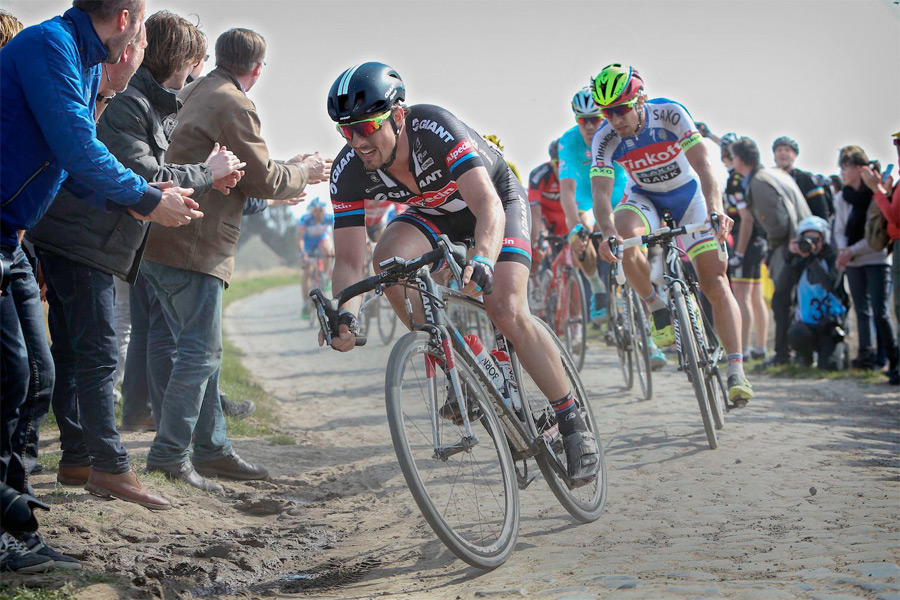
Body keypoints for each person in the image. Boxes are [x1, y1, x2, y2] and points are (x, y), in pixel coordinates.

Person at [325, 62, 599, 483]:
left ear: (398, 116)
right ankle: (454, 358)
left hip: (493, 202)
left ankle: (571, 420)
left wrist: (485, 258)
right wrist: (345, 312)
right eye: (347, 131)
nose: (358, 141)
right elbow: (348, 261)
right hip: (433, 214)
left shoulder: (433, 128)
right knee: (389, 263)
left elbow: (488, 206)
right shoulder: (347, 171)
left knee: (505, 307)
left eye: (367, 126)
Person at [1, 0, 203, 570]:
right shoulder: (50, 48)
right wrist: (144, 197)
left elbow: (66, 167)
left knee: (35, 377)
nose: (141, 38)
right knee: (17, 376)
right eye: (141, 22)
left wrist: (138, 208)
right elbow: (77, 147)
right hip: (6, 229)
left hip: (12, 236)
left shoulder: (86, 62)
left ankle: (19, 527)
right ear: (124, 19)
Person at [140, 27, 330, 488]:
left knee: (202, 351)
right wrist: (304, 171)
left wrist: (281, 176)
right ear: (257, 70)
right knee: (200, 353)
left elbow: (245, 171)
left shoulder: (198, 89)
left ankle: (212, 449)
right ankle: (170, 455)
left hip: (161, 240)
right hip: (194, 246)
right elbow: (262, 178)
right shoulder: (235, 102)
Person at [589, 64, 751, 403]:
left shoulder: (670, 114)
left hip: (688, 196)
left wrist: (715, 209)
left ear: (640, 100)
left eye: (620, 109)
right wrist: (606, 234)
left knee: (715, 281)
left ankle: (736, 368)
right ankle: (656, 307)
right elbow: (602, 194)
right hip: (644, 197)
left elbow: (704, 166)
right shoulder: (606, 137)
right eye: (607, 112)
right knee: (623, 237)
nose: (615, 119)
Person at [729, 137, 812, 368]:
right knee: (790, 301)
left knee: (782, 301)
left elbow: (777, 222)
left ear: (739, 159)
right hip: (802, 241)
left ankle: (782, 355)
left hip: (789, 246)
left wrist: (775, 246)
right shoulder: (773, 173)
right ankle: (795, 355)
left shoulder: (758, 182)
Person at [700, 127, 769, 360]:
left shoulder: (736, 179)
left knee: (741, 295)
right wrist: (710, 135)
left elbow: (747, 218)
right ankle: (760, 346)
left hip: (746, 241)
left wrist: (738, 252)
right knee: (755, 296)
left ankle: (746, 348)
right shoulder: (745, 174)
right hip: (757, 240)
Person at [559, 87, 626, 321]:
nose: (589, 126)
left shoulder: (616, 133)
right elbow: (566, 191)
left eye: (595, 119)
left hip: (619, 192)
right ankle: (597, 286)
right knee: (580, 234)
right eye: (582, 120)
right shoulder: (567, 141)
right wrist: (575, 226)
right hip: (586, 198)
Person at [833, 145, 898, 381]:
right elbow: (839, 228)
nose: (842, 172)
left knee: (880, 312)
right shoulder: (841, 197)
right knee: (861, 310)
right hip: (852, 261)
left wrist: (850, 250)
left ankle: (891, 359)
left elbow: (877, 237)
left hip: (877, 259)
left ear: (860, 169)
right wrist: (843, 250)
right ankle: (866, 358)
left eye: (846, 167)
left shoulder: (875, 193)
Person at [785, 217, 850, 370]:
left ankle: (841, 350)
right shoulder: (800, 260)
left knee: (831, 367)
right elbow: (784, 284)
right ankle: (806, 356)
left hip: (830, 324)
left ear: (824, 238)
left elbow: (830, 284)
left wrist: (811, 258)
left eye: (815, 239)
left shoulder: (832, 257)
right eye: (806, 239)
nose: (811, 243)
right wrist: (790, 255)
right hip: (807, 326)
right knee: (795, 333)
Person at [772, 136, 834, 221]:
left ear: (795, 155)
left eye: (787, 150)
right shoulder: (769, 178)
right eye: (779, 150)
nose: (783, 153)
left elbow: (821, 211)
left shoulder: (806, 179)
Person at [298, 197, 335, 319]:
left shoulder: (328, 218)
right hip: (308, 246)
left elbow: (336, 231)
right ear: (312, 211)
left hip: (321, 242)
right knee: (307, 271)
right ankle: (305, 303)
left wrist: (335, 249)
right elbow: (300, 239)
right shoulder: (306, 219)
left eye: (321, 210)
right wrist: (303, 253)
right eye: (316, 211)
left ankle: (325, 275)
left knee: (328, 250)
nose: (319, 213)